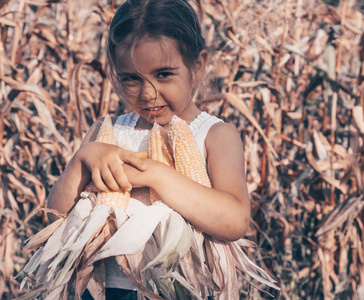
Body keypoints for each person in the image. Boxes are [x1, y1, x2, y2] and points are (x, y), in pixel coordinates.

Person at [46, 0, 251, 298]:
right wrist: (83, 159)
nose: (148, 93)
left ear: (198, 64)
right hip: (103, 288)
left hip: (177, 288)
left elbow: (235, 221)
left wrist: (158, 176)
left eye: (164, 74)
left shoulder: (215, 135)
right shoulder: (108, 134)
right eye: (131, 79)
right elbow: (55, 218)